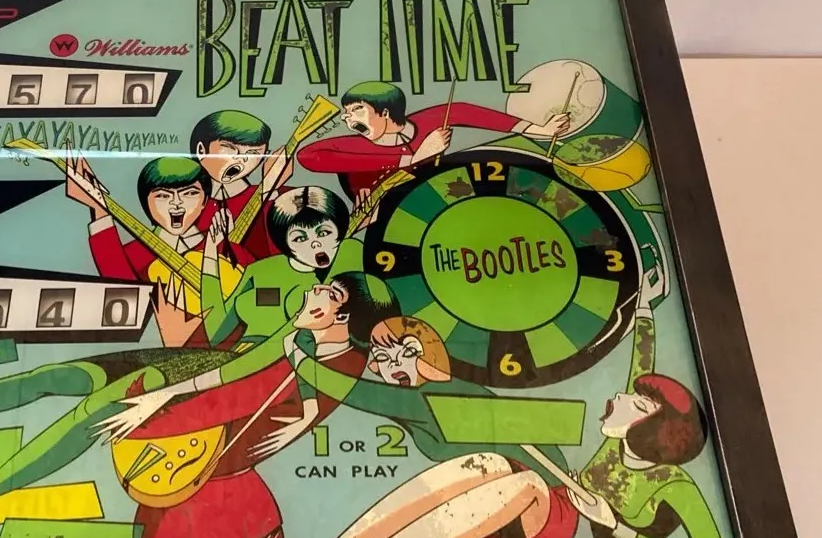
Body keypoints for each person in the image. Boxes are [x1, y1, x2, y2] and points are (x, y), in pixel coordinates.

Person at [0, 273, 399, 538]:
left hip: (210, 412)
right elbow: (240, 363)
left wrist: (158, 401)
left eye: (330, 292)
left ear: (343, 314)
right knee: (65, 376)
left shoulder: (333, 365)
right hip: (199, 376)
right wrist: (170, 379)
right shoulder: (302, 333)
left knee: (96, 408)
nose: (316, 290)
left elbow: (245, 395)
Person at [276, 315, 580, 538]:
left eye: (407, 352)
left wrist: (298, 355)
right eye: (383, 358)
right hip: (477, 508)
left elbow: (349, 390)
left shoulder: (430, 396)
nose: (394, 364)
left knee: (512, 473)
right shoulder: (414, 397)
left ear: (428, 355)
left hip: (547, 512)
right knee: (488, 465)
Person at [565, 261, 728, 538]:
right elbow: (642, 361)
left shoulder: (674, 485)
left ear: (653, 432)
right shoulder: (620, 441)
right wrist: (644, 306)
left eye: (637, 404)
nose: (620, 396)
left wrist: (615, 526)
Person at [296, 80, 571, 199]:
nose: (347, 119)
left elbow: (464, 110)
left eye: (356, 110)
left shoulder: (425, 122)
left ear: (385, 111)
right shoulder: (355, 145)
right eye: (346, 113)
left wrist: (537, 129)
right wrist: (411, 159)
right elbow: (307, 156)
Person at [198, 186, 364, 351]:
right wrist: (211, 248)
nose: (315, 243)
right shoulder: (261, 271)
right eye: (300, 238)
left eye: (323, 233)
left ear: (339, 233)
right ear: (285, 243)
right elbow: (215, 330)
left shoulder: (346, 263)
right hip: (239, 357)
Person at [65, 154, 253, 284]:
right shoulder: (135, 253)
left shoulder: (225, 247)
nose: (176, 203)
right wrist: (98, 209)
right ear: (146, 203)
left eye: (189, 193)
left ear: (205, 200)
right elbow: (123, 285)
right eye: (163, 196)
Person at [189, 109, 292, 259]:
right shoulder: (182, 199)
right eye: (230, 149)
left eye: (253, 153)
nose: (242, 159)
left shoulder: (270, 196)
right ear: (201, 150)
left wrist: (269, 191)